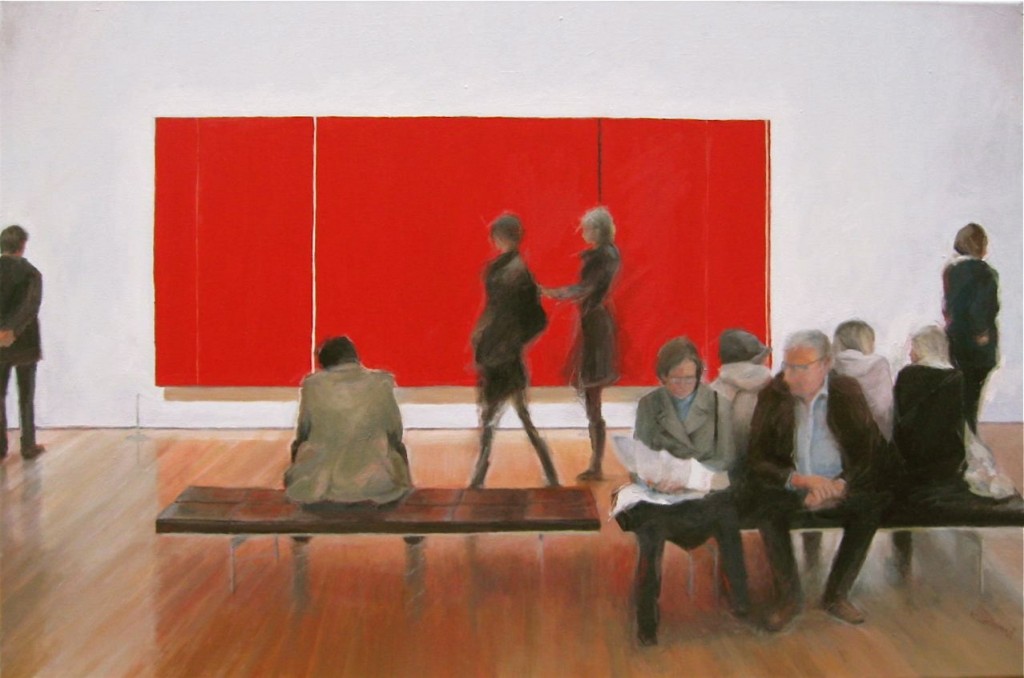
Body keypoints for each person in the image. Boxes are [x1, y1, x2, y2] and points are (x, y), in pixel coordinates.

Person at [746, 330, 888, 630]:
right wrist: (800, 481)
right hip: (794, 486)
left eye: (801, 367)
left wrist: (839, 485)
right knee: (766, 507)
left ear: (825, 364)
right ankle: (789, 598)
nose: (790, 376)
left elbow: (870, 453)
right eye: (787, 366)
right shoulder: (773, 394)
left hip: (839, 486)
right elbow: (757, 459)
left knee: (871, 506)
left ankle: (836, 594)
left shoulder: (846, 392)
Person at [614, 337, 750, 646]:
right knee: (650, 531)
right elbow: (641, 456)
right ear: (662, 377)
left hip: (704, 492)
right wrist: (652, 480)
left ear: (699, 375)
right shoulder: (650, 405)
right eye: (675, 379)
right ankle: (647, 621)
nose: (683, 385)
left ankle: (740, 601)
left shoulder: (717, 404)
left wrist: (690, 475)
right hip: (663, 496)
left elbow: (725, 459)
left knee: (726, 515)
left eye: (690, 378)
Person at [469, 213, 559, 489]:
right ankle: (550, 474)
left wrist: (495, 338)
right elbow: (536, 319)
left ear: (500, 238)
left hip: (498, 355)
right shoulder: (517, 272)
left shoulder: (503, 272)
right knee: (518, 416)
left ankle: (479, 478)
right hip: (504, 354)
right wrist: (515, 340)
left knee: (491, 418)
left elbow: (506, 314)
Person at [284, 336, 412, 506]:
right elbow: (395, 432)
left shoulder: (312, 385)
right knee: (395, 451)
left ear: (324, 363)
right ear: (355, 358)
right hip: (376, 484)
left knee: (301, 452)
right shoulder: (381, 382)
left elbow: (303, 433)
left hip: (321, 487)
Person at [543, 206, 621, 480]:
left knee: (592, 399)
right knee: (591, 398)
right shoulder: (606, 255)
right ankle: (595, 462)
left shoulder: (603, 257)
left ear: (598, 230)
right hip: (594, 325)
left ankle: (596, 464)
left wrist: (553, 293)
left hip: (596, 329)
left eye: (587, 228)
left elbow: (585, 289)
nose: (583, 232)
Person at [942, 222, 999, 433]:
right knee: (973, 395)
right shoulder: (985, 273)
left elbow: (948, 307)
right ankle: (969, 435)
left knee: (960, 393)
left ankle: (961, 436)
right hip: (978, 344)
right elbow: (984, 306)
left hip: (955, 340)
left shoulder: (951, 271)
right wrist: (981, 332)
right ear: (980, 245)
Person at [0, 225, 45, 460]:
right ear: (22, 245)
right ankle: (28, 445)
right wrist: (12, 330)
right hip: (25, 343)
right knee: (26, 396)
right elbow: (30, 307)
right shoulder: (31, 273)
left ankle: (0, 447)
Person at [709, 328, 772, 478]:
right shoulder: (774, 390)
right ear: (758, 359)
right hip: (767, 476)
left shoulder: (710, 393)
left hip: (720, 478)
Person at [832, 320, 894, 441]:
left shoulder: (831, 365)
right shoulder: (879, 364)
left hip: (840, 436)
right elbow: (883, 408)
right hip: (874, 435)